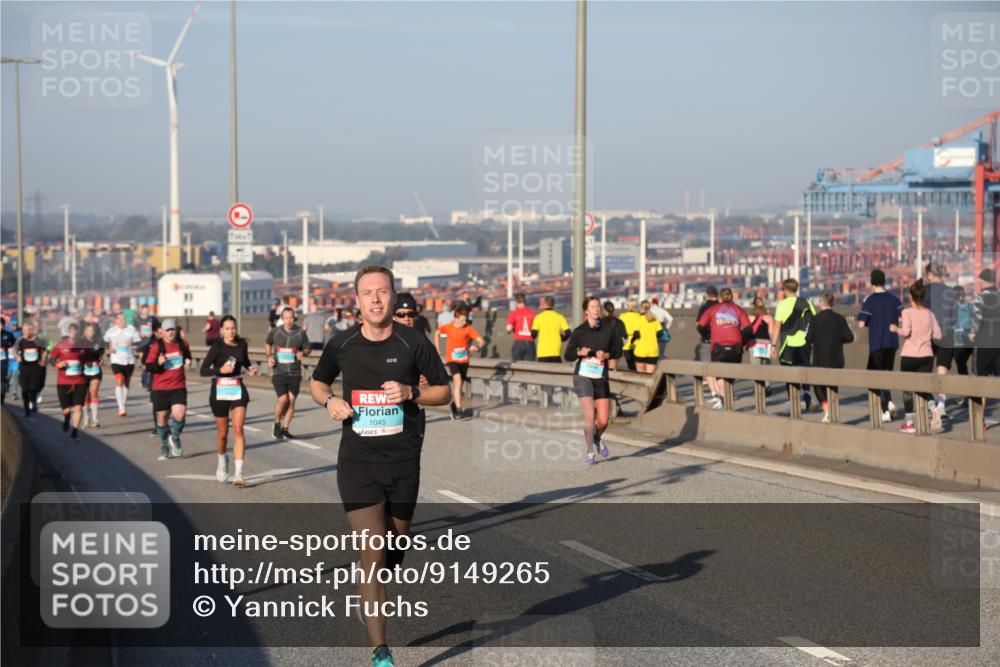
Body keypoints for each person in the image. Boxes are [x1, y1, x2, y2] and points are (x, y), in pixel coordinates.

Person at [309, 265, 451, 667]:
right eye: (367, 292)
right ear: (356, 301)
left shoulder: (413, 342)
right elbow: (317, 382)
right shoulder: (342, 345)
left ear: (392, 297)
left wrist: (411, 392)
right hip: (357, 464)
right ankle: (380, 651)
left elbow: (445, 391)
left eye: (382, 292)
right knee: (371, 550)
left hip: (404, 463)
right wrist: (329, 401)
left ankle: (371, 592)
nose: (375, 298)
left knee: (393, 551)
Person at [564, 295, 623, 465]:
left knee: (603, 420)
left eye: (598, 306)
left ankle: (597, 438)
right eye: (593, 306)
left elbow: (618, 350)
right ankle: (590, 452)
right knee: (590, 415)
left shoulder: (609, 329)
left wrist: (607, 355)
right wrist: (578, 353)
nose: (596, 309)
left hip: (601, 376)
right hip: (583, 377)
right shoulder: (580, 331)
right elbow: (567, 355)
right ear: (586, 311)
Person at [201, 315, 258, 486]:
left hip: (237, 388)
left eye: (233, 328)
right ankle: (222, 461)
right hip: (219, 389)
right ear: (221, 330)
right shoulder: (216, 346)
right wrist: (221, 369)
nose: (231, 331)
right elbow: (203, 370)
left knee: (239, 429)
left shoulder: (242, 344)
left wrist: (250, 368)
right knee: (223, 434)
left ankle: (239, 473)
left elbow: (245, 361)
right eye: (227, 328)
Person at [894, 280, 943, 434]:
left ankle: (909, 423)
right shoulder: (930, 314)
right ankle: (934, 408)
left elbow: (906, 332)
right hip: (927, 356)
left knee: (908, 389)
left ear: (910, 297)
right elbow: (938, 335)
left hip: (910, 355)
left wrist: (896, 328)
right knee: (924, 387)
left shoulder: (906, 312)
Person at [857, 269, 902, 422]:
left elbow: (861, 324)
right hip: (892, 342)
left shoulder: (869, 300)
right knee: (886, 374)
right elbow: (902, 319)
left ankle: (885, 410)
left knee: (874, 376)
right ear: (884, 281)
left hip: (877, 343)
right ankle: (888, 402)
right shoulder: (894, 300)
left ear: (872, 282)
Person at [697, 287, 751, 410]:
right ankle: (729, 402)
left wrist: (708, 336)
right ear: (731, 297)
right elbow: (748, 329)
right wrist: (742, 341)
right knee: (731, 377)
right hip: (735, 348)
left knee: (720, 378)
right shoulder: (738, 310)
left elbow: (700, 326)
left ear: (720, 298)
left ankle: (724, 405)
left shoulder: (713, 309)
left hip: (718, 347)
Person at [144, 318, 191, 459]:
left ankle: (175, 437)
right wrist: (158, 363)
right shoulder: (157, 347)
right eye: (168, 330)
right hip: (160, 388)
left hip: (178, 385)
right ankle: (164, 446)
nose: (171, 332)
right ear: (163, 332)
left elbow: (187, 356)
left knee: (180, 414)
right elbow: (148, 366)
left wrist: (188, 360)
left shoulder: (182, 345)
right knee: (162, 419)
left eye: (173, 329)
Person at [805, 293, 854, 423]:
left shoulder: (814, 319)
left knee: (817, 385)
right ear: (832, 303)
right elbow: (849, 337)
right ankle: (832, 412)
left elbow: (807, 339)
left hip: (819, 360)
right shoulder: (840, 319)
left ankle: (827, 410)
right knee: (832, 387)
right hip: (836, 359)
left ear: (821, 303)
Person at [265, 306, 311, 439]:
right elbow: (268, 343)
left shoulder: (300, 333)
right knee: (283, 399)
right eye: (286, 318)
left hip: (295, 373)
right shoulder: (275, 332)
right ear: (282, 319)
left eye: (291, 317)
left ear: (294, 318)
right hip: (279, 372)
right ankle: (277, 423)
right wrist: (269, 356)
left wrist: (303, 352)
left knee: (291, 401)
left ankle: (285, 429)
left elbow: (308, 348)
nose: (289, 320)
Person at [772, 278, 816, 412]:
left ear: (785, 290)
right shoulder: (806, 302)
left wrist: (773, 345)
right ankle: (807, 392)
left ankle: (793, 401)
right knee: (804, 369)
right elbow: (813, 320)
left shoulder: (782, 304)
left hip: (788, 343)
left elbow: (777, 326)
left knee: (789, 372)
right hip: (804, 342)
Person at [438, 307, 484, 420]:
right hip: (452, 360)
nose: (464, 322)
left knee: (460, 385)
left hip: (464, 360)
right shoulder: (448, 327)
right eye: (462, 320)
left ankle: (454, 405)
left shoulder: (468, 328)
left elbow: (481, 341)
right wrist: (437, 348)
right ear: (456, 318)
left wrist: (476, 347)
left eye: (465, 320)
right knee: (457, 381)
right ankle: (459, 410)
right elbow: (437, 333)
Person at [924, 262, 956, 417]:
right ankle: (941, 404)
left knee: (926, 369)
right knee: (942, 368)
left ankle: (930, 404)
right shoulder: (951, 292)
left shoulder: (924, 291)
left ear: (930, 274)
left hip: (928, 334)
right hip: (947, 334)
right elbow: (955, 317)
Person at [50, 322, 87, 441]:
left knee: (78, 408)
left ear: (78, 332)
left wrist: (94, 361)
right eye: (72, 331)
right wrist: (57, 364)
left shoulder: (83, 345)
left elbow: (91, 357)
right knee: (66, 410)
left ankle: (75, 432)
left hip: (79, 380)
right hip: (63, 381)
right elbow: (51, 359)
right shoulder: (61, 344)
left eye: (76, 331)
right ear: (69, 332)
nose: (74, 333)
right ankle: (66, 418)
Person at [104, 313, 141, 417]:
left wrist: (133, 344)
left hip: (129, 360)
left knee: (126, 383)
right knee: (119, 379)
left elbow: (139, 342)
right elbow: (104, 341)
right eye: (120, 319)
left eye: (123, 319)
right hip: (116, 359)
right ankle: (121, 407)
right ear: (116, 321)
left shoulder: (131, 330)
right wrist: (109, 348)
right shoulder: (111, 331)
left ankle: (123, 403)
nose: (122, 321)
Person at [970, 268, 1000, 377]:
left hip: (984, 342)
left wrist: (973, 333)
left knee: (979, 374)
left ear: (984, 281)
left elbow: (977, 317)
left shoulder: (981, 297)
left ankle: (979, 395)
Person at [15, 322, 47, 417]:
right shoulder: (20, 341)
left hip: (35, 368)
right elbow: (14, 350)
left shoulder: (38, 340)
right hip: (24, 367)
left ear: (31, 330)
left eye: (28, 330)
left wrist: (43, 358)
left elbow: (45, 350)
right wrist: (17, 356)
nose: (26, 332)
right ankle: (26, 409)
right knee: (24, 389)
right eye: (24, 330)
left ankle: (33, 401)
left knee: (33, 388)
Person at [747, 297, 776, 395]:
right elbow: (771, 333)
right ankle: (767, 386)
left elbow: (747, 332)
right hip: (765, 343)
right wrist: (773, 345)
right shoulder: (769, 318)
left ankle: (758, 387)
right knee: (765, 365)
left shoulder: (749, 318)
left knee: (756, 366)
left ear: (753, 306)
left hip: (754, 343)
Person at [79, 322, 105, 428]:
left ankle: (95, 418)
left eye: (92, 331)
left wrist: (101, 359)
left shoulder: (98, 342)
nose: (91, 333)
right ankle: (86, 417)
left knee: (93, 392)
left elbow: (101, 354)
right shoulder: (80, 343)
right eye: (88, 331)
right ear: (85, 332)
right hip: (84, 370)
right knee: (85, 396)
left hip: (95, 369)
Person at [530, 296, 571, 363]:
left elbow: (533, 335)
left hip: (542, 352)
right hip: (556, 351)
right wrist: (562, 338)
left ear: (544, 304)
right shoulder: (560, 317)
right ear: (553, 304)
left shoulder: (538, 317)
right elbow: (568, 333)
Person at [632, 300, 664, 374]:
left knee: (640, 375)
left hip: (641, 350)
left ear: (641, 308)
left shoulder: (638, 319)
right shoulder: (655, 319)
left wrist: (632, 341)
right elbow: (660, 333)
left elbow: (636, 335)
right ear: (649, 308)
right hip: (653, 350)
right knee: (650, 376)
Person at [506, 293, 536, 362]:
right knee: (530, 366)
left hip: (519, 342)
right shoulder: (533, 313)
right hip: (530, 342)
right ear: (525, 301)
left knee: (517, 365)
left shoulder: (513, 313)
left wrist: (512, 329)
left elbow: (508, 329)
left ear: (516, 302)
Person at [953, 285, 974, 376]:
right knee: (976, 366)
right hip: (971, 339)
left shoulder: (952, 307)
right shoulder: (971, 306)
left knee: (961, 365)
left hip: (958, 341)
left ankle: (966, 387)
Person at [694, 286, 719, 362]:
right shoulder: (721, 307)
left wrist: (705, 335)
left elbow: (698, 325)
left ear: (708, 295)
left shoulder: (704, 307)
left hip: (707, 340)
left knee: (707, 367)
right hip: (721, 340)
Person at [602, 301, 628, 371]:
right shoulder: (620, 322)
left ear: (604, 310)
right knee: (612, 370)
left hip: (603, 349)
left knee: (603, 370)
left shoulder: (600, 322)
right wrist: (620, 345)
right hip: (616, 350)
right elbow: (625, 337)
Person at [618, 299, 643, 371]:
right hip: (637, 341)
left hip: (626, 342)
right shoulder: (639, 316)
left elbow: (619, 330)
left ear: (627, 306)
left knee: (630, 365)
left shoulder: (622, 316)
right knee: (638, 364)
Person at [1, 316, 14, 404]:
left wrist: (8, 348)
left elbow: (14, 343)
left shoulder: (8, 334)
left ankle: (2, 399)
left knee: (3, 382)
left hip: (4, 363)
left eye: (1, 324)